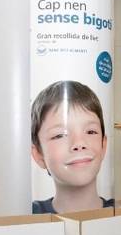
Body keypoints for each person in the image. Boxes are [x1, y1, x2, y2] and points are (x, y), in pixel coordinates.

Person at [31, 80, 114, 214]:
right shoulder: (26, 217)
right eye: (59, 135)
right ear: (38, 155)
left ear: (103, 146)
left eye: (90, 132)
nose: (79, 143)